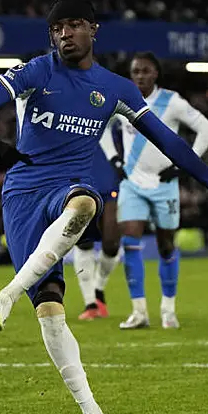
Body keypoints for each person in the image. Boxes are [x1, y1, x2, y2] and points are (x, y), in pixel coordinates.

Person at [0, 0, 208, 414]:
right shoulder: (36, 71)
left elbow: (170, 142)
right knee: (51, 313)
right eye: (58, 27)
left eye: (75, 25)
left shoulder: (115, 88)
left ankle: (8, 293)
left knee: (86, 204)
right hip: (21, 195)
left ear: (94, 30)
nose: (65, 34)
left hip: (69, 186)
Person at [102, 52, 208, 329]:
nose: (140, 76)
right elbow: (103, 126)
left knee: (166, 246)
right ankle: (139, 311)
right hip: (132, 184)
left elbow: (207, 130)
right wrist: (114, 159)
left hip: (165, 185)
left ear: (155, 74)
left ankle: (168, 309)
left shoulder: (172, 102)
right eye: (135, 71)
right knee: (129, 241)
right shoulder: (123, 99)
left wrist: (184, 164)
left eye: (145, 71)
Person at [70, 125, 122, 321]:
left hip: (110, 182)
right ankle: (90, 302)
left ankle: (98, 288)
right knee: (84, 242)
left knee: (111, 244)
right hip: (80, 180)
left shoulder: (107, 105)